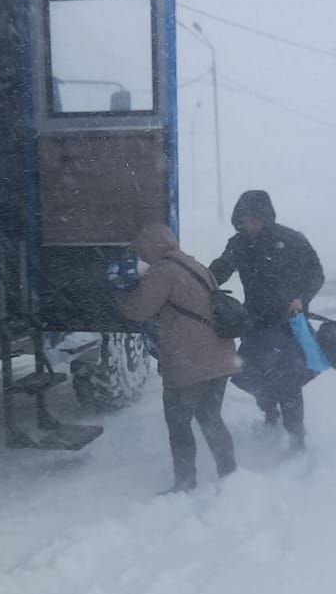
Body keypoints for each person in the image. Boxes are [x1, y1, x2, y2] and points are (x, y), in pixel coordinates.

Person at [112, 224, 239, 493]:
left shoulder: (163, 271)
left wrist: (121, 290)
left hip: (189, 361)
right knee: (210, 417)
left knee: (178, 423)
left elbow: (138, 309)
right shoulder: (195, 265)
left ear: (150, 246)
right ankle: (230, 475)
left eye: (142, 251)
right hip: (221, 356)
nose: (142, 257)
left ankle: (185, 482)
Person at [209, 191, 324, 450]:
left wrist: (301, 298)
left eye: (255, 220)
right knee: (254, 373)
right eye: (244, 220)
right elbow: (220, 270)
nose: (250, 225)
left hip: (290, 323)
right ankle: (270, 412)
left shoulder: (291, 240)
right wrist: (198, 282)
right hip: (256, 323)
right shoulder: (238, 244)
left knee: (290, 379)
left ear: (267, 218)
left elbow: (316, 273)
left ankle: (297, 438)